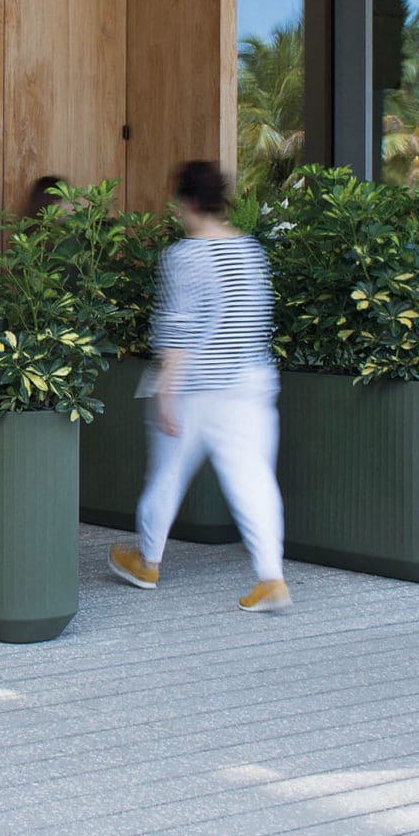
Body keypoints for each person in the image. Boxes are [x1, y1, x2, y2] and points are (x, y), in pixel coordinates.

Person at [108, 160, 290, 612]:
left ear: (187, 201)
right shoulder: (250, 250)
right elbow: (255, 317)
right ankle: (271, 579)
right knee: (254, 480)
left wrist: (167, 392)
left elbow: (179, 331)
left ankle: (147, 561)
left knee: (167, 474)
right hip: (251, 380)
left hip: (197, 388)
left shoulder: (186, 255)